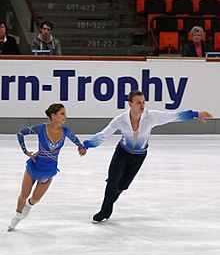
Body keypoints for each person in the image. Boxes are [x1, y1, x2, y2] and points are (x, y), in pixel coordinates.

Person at [83, 90, 213, 223]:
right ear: (130, 104)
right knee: (112, 182)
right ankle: (105, 211)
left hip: (138, 157)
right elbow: (104, 134)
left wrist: (196, 114)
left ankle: (109, 203)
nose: (142, 105)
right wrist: (87, 145)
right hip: (122, 153)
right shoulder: (120, 120)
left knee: (122, 186)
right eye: (138, 102)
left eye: (143, 102)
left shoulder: (151, 116)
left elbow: (173, 116)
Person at [8, 103, 86, 231]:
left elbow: (76, 140)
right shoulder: (41, 128)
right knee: (24, 194)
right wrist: (25, 151)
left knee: (35, 199)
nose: (65, 116)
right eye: (62, 114)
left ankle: (29, 205)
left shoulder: (65, 131)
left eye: (65, 113)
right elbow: (20, 133)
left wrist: (81, 148)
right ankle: (17, 216)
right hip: (34, 166)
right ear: (53, 116)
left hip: (49, 171)